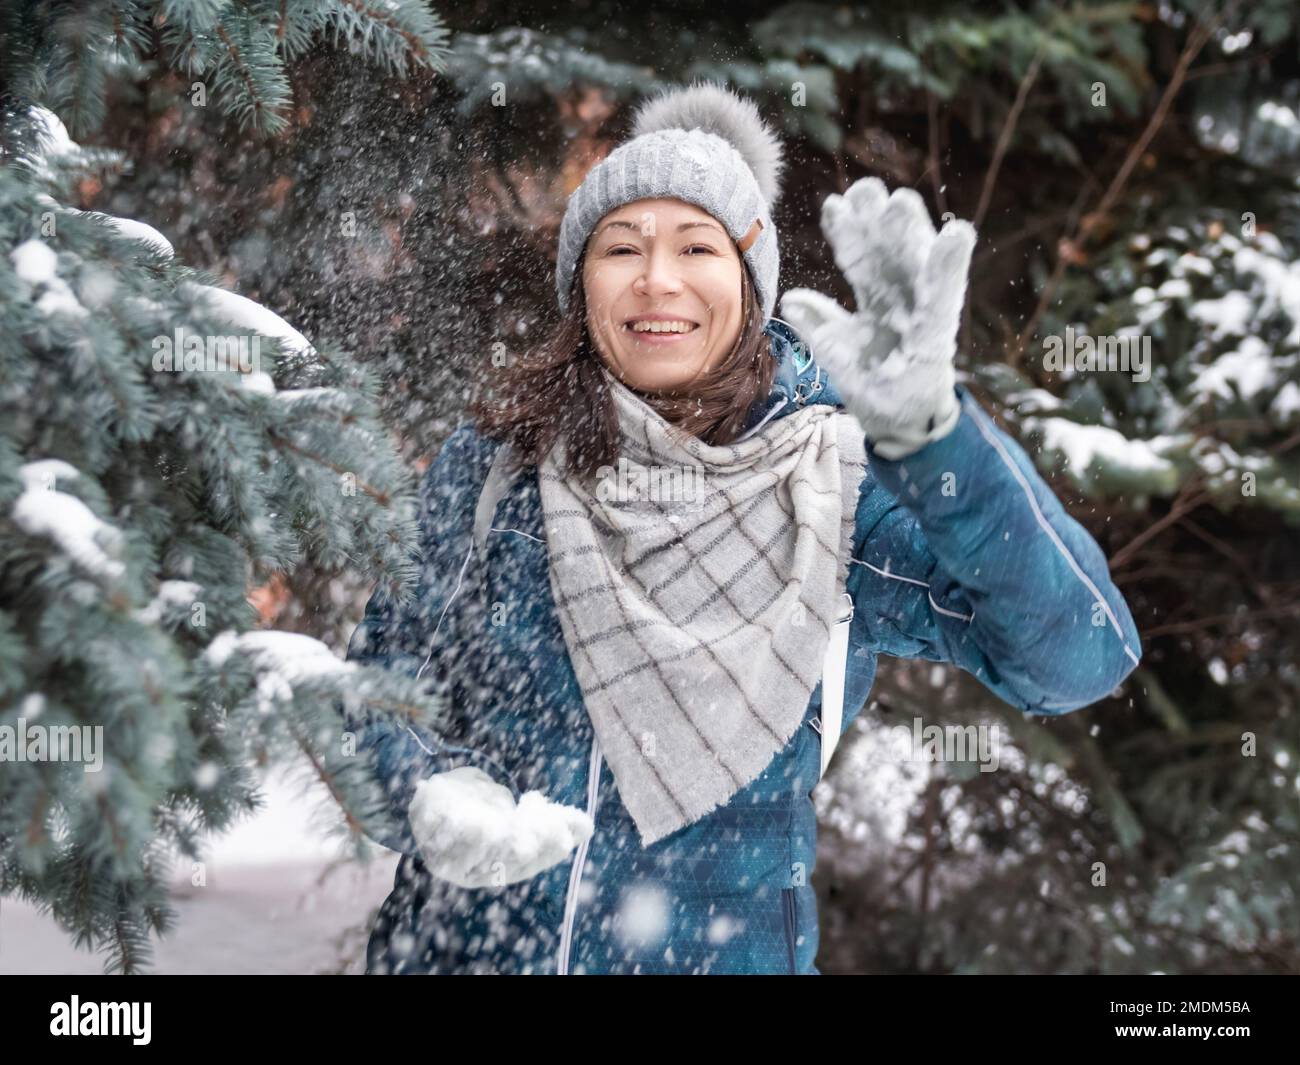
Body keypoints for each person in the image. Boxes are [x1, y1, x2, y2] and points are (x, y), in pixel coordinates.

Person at [343, 82, 1142, 975]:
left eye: (697, 245)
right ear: (581, 284)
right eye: (621, 247)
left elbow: (1077, 657)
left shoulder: (832, 491)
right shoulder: (499, 466)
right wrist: (424, 788)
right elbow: (377, 683)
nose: (658, 278)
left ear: (750, 280)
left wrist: (933, 435)